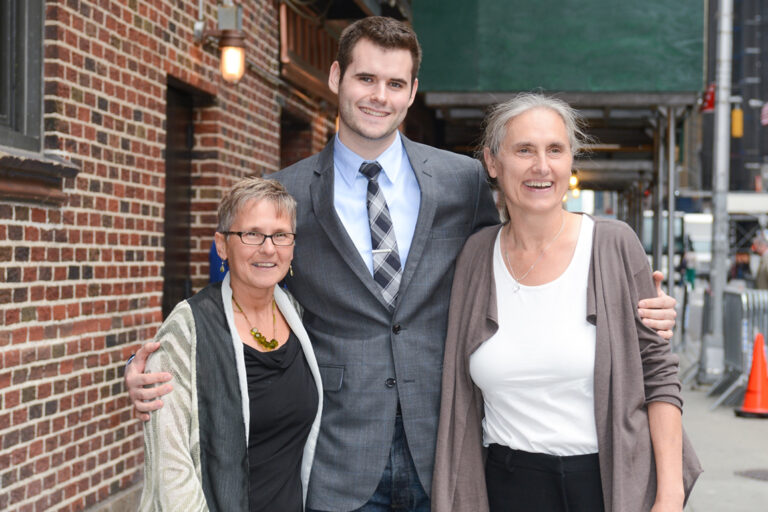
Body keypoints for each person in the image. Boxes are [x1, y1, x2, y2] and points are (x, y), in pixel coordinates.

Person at [126, 17, 678, 511]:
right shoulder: (289, 192)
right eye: (366, 79)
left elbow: (517, 267)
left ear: (412, 92)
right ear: (337, 77)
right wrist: (169, 367)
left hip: (446, 447)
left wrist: (629, 302)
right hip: (339, 458)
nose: (379, 96)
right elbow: (242, 294)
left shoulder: (461, 182)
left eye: (395, 84)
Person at [432, 94, 701, 512]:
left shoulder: (613, 245)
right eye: (524, 150)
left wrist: (669, 495)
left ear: (569, 161)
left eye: (555, 150)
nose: (542, 166)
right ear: (492, 162)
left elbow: (659, 375)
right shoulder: (475, 256)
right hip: (505, 485)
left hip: (605, 485)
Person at [138, 177, 323, 511]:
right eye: (251, 234)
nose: (268, 248)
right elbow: (170, 465)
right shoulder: (187, 328)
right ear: (222, 245)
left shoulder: (299, 317)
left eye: (280, 235)